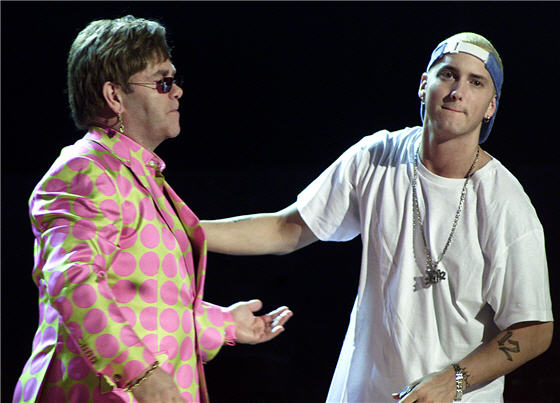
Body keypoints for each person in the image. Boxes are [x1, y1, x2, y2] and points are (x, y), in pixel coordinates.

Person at [201, 32, 553, 402]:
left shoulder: (504, 202)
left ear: (490, 106)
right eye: (448, 74)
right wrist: (180, 230)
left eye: (475, 82)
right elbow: (285, 229)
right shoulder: (376, 156)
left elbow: (534, 329)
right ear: (424, 85)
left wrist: (452, 382)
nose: (457, 91)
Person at [13, 15, 292, 403]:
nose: (177, 91)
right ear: (115, 96)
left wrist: (224, 324)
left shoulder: (137, 177)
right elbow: (73, 282)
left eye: (173, 81)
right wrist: (143, 375)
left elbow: (141, 303)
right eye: (162, 82)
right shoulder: (85, 171)